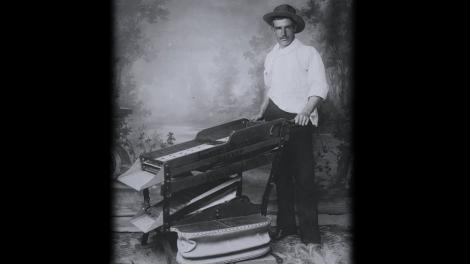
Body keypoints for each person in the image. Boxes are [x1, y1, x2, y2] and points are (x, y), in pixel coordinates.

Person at [253, 4, 329, 245]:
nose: (282, 33)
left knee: (304, 179)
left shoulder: (309, 53)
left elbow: (319, 87)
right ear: (273, 30)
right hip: (274, 118)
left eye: (287, 28)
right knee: (281, 176)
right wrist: (262, 110)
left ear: (295, 27)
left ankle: (311, 237)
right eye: (278, 28)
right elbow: (270, 87)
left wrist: (306, 111)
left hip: (299, 118)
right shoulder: (271, 55)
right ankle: (286, 227)